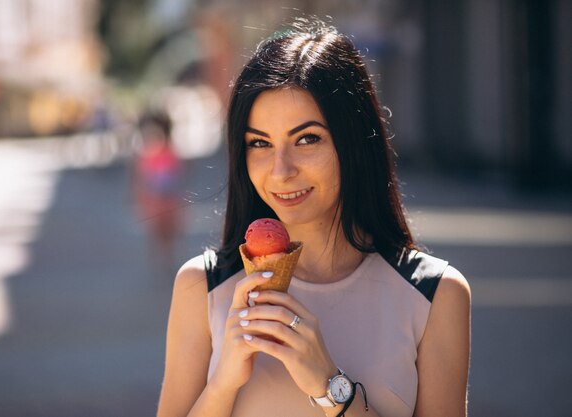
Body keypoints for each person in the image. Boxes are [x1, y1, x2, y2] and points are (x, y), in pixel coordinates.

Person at [157, 18, 470, 417]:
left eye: (307, 139)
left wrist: (330, 387)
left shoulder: (435, 293)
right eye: (259, 143)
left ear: (354, 141)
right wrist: (223, 384)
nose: (280, 170)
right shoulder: (202, 287)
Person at [131, 110, 184, 264]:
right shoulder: (146, 155)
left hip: (168, 200)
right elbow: (141, 179)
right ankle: (161, 258)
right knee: (157, 232)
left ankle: (167, 257)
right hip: (155, 201)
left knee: (168, 231)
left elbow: (178, 175)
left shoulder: (169, 153)